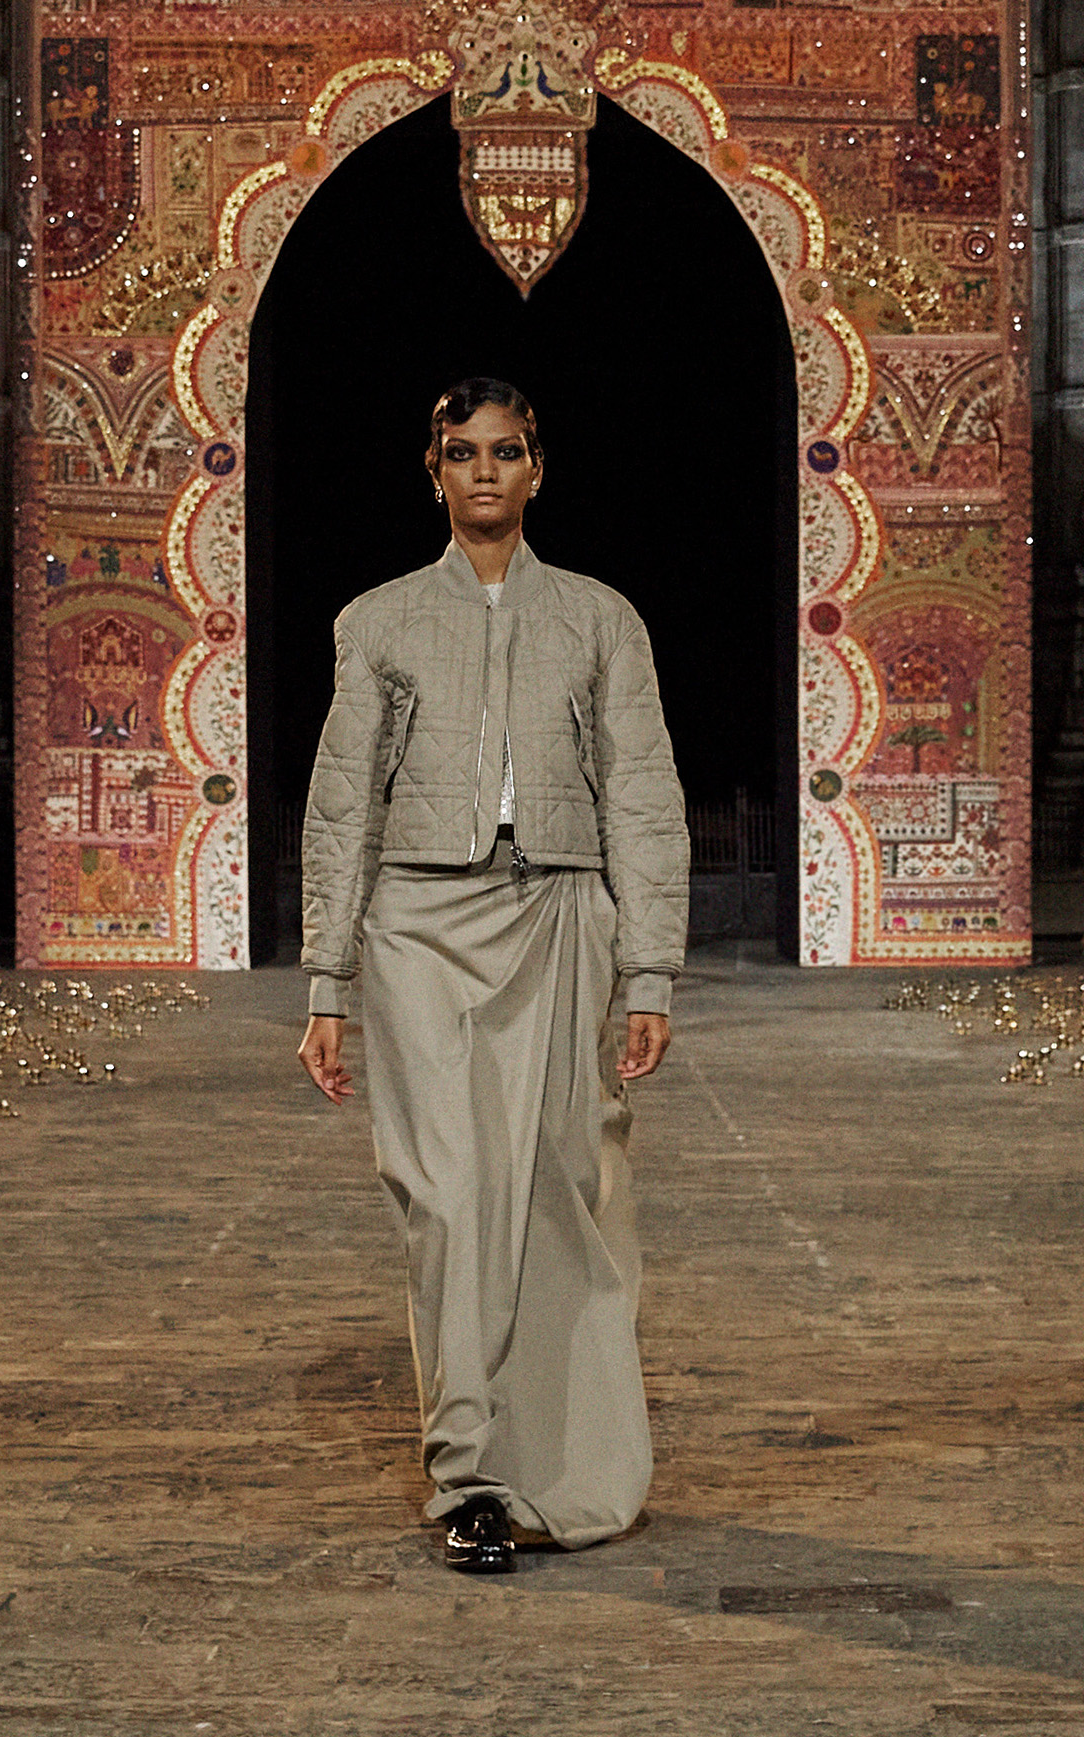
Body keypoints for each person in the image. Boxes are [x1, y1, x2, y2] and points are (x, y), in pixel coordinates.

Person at [297, 377, 689, 1574]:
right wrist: (326, 982)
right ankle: (467, 1476)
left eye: (505, 452)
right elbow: (342, 805)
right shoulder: (376, 622)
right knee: (450, 1195)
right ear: (433, 471)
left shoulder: (600, 619)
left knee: (563, 1189)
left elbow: (642, 794)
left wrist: (651, 969)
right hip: (417, 924)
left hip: (558, 914)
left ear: (536, 470)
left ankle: (563, 1476)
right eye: (461, 452)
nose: (484, 472)